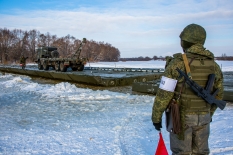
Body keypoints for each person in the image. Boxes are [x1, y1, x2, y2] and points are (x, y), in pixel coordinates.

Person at [151, 23, 224, 155]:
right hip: (204, 116)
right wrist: (208, 114)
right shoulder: (214, 65)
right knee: (201, 152)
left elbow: (163, 95)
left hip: (181, 117)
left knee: (182, 152)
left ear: (185, 41)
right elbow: (218, 94)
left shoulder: (177, 63)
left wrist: (156, 117)